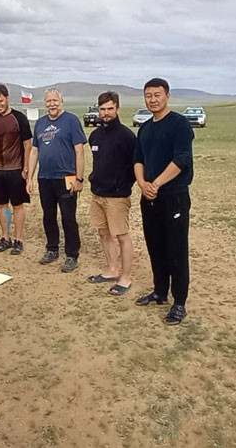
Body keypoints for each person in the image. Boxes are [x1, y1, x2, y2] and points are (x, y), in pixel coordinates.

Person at [133, 78, 194, 325]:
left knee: (176, 249)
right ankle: (160, 291)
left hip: (173, 197)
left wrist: (156, 184)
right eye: (148, 95)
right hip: (149, 198)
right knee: (155, 246)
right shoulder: (145, 129)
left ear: (167, 95)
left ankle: (179, 302)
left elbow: (181, 160)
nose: (153, 99)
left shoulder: (179, 124)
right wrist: (142, 183)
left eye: (157, 94)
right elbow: (138, 159)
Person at [26, 88, 87, 272]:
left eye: (55, 100)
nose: (52, 104)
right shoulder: (40, 123)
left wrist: (79, 178)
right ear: (45, 103)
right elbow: (34, 151)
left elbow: (79, 151)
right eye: (49, 101)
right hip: (45, 178)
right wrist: (29, 177)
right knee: (48, 216)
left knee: (68, 217)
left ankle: (72, 254)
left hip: (66, 178)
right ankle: (52, 249)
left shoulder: (71, 121)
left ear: (61, 101)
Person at [86, 91, 137, 296]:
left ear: (117, 109)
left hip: (117, 196)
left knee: (122, 236)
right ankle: (111, 270)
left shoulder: (126, 136)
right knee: (103, 233)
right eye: (102, 109)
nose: (106, 113)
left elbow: (136, 166)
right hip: (97, 194)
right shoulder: (95, 136)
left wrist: (122, 186)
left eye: (110, 108)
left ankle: (125, 277)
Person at [0, 84, 32, 255]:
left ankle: (18, 239)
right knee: (1, 205)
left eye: (1, 100)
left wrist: (26, 168)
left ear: (7, 98)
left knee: (18, 205)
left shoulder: (19, 118)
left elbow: (28, 144)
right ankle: (6, 238)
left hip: (16, 169)